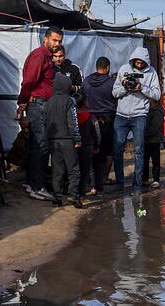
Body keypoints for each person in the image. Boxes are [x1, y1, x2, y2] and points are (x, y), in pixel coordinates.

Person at [16, 26, 63, 201]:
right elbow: (29, 81)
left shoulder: (46, 57)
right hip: (38, 104)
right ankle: (37, 186)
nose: (57, 44)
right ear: (46, 39)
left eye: (59, 41)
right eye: (55, 40)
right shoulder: (40, 56)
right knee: (41, 145)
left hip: (41, 104)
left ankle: (31, 182)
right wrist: (22, 101)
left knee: (36, 145)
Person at [111, 47, 162, 193]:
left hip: (139, 115)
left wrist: (141, 87)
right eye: (137, 62)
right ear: (133, 60)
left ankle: (137, 183)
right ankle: (120, 182)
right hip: (121, 115)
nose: (139, 65)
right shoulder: (124, 69)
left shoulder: (151, 72)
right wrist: (125, 87)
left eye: (142, 63)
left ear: (146, 62)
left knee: (139, 150)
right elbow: (115, 92)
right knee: (117, 149)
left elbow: (157, 95)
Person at [44, 73, 84, 208]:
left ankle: (57, 199)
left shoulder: (48, 102)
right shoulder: (69, 101)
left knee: (57, 170)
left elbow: (45, 122)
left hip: (53, 140)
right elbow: (73, 122)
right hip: (67, 140)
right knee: (73, 169)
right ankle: (73, 196)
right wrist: (77, 138)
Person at [82, 56, 117, 193]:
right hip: (108, 118)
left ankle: (90, 181)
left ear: (96, 67)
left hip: (90, 119)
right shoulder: (112, 82)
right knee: (107, 151)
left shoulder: (87, 81)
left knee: (91, 149)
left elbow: (81, 96)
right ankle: (103, 178)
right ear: (107, 68)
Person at [74, 92, 101, 198]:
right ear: (85, 102)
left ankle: (74, 191)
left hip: (75, 146)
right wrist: (97, 145)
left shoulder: (72, 118)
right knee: (88, 169)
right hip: (88, 146)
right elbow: (97, 132)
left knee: (75, 169)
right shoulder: (91, 117)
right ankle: (86, 191)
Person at [142, 97, 164, 188]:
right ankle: (145, 179)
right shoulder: (147, 110)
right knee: (145, 161)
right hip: (146, 140)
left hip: (154, 140)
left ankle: (156, 179)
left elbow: (155, 127)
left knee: (155, 161)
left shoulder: (158, 111)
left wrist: (145, 134)